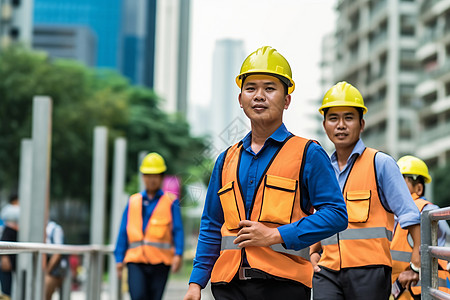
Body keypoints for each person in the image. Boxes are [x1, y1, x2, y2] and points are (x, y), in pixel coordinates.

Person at [183, 46, 348, 300]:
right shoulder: (225, 160)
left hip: (283, 287)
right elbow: (211, 225)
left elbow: (336, 215)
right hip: (227, 286)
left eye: (269, 89)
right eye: (251, 89)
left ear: (286, 100)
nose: (259, 96)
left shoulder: (308, 153)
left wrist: (275, 235)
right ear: (240, 100)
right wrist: (196, 283)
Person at [310, 81, 422, 300]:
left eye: (348, 118)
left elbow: (409, 214)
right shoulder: (322, 169)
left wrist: (416, 260)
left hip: (370, 271)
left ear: (361, 124)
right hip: (327, 272)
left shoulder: (380, 164)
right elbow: (319, 216)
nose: (340, 125)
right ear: (325, 125)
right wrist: (314, 252)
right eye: (333, 118)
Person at [114, 152, 184, 300]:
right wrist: (119, 259)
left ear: (161, 177)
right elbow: (123, 232)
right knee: (138, 296)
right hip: (135, 260)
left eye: (155, 175)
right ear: (143, 177)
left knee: (155, 297)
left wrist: (178, 254)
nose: (151, 179)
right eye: (148, 175)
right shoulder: (133, 201)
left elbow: (177, 230)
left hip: (161, 261)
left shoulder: (171, 202)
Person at [391, 155, 450, 299]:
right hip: (407, 291)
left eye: (401, 182)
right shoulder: (396, 214)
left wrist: (415, 269)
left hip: (426, 291)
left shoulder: (426, 211)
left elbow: (444, 249)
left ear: (418, 188)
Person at [0, 193, 20, 299]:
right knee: (7, 291)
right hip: (8, 258)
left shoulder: (5, 211)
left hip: (12, 257)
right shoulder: (11, 212)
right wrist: (4, 257)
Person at [44, 220, 68, 300]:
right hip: (49, 268)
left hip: (54, 270)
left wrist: (47, 270)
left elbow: (58, 253)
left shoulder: (54, 229)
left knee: (45, 294)